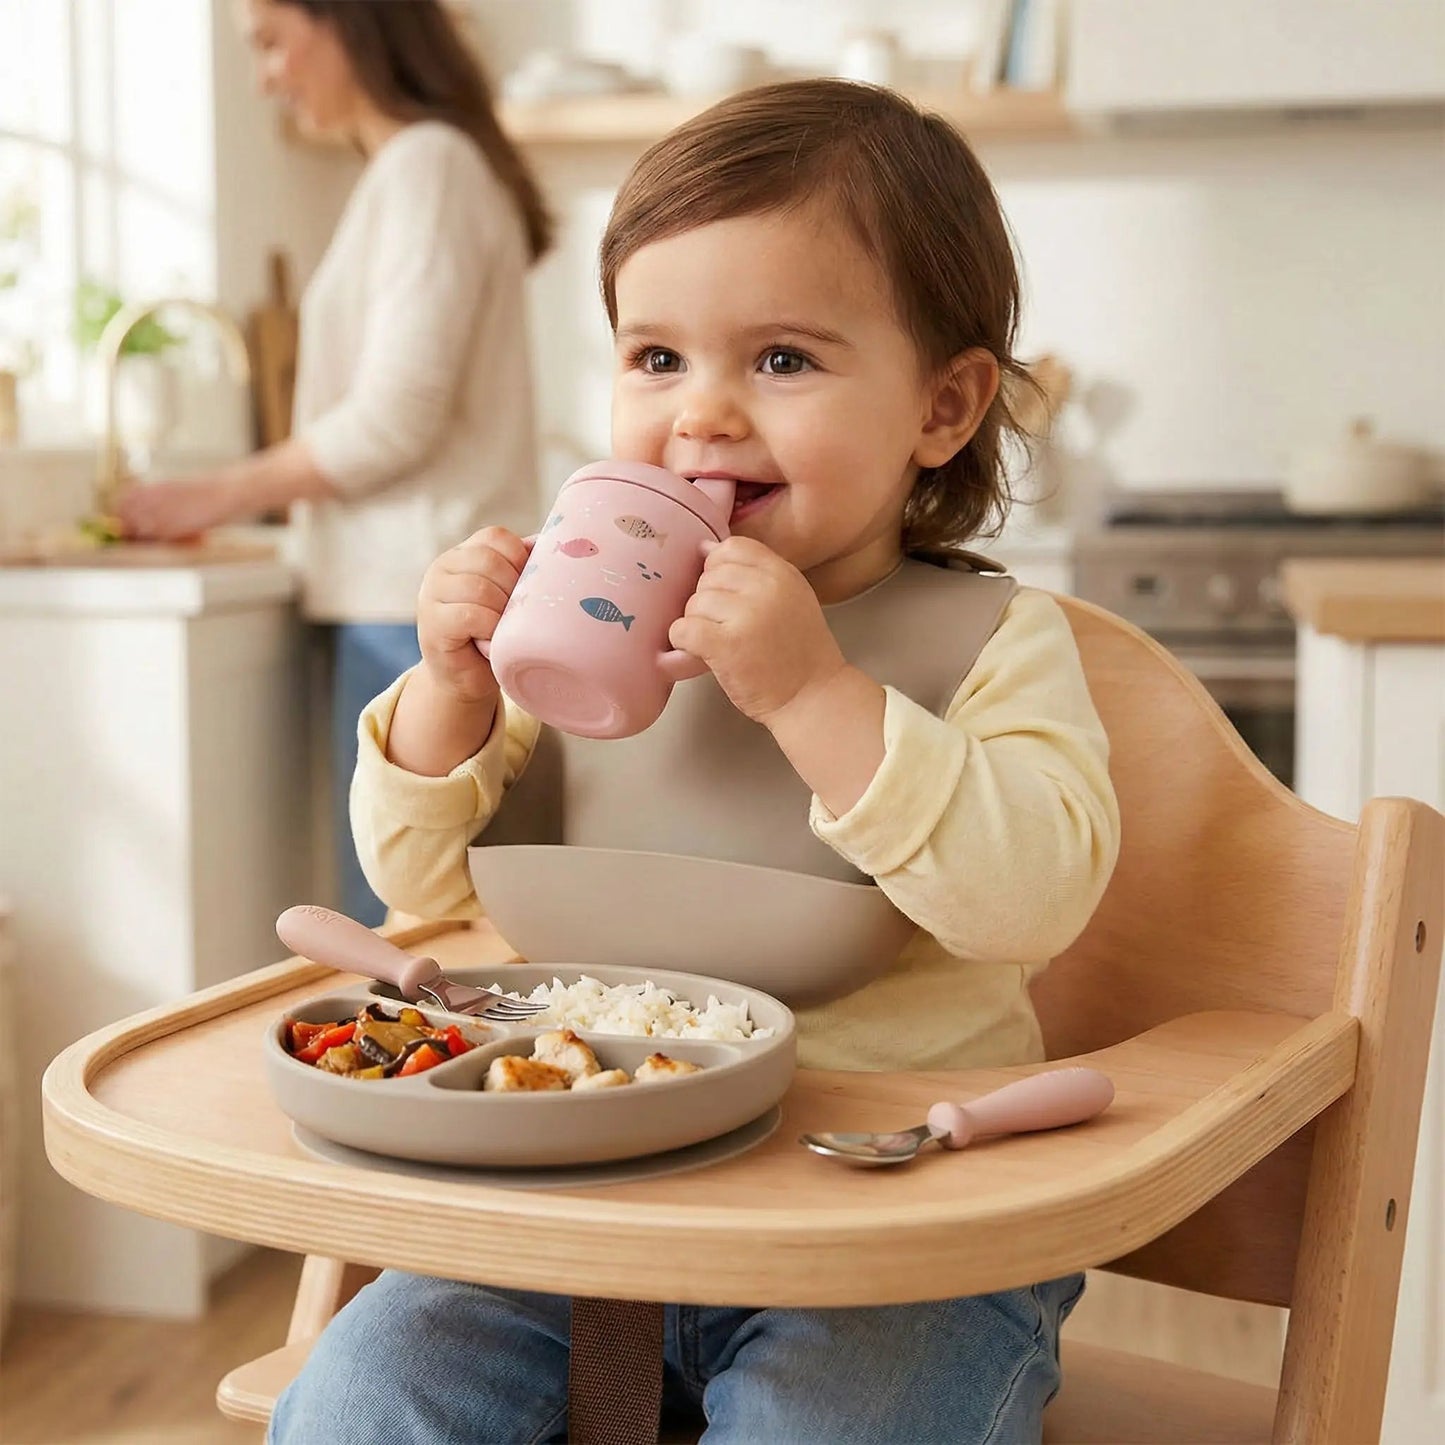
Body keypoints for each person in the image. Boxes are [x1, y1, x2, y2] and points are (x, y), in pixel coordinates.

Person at [271, 79, 1122, 1445]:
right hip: (582, 1190)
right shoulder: (588, 622)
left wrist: (816, 692)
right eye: (656, 358)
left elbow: (1033, 899)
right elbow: (422, 887)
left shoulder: (995, 640)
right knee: (364, 1400)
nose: (704, 415)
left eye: (781, 360)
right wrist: (452, 695)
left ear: (943, 408)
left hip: (887, 1228)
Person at [117, 0, 552, 927]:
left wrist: (218, 490)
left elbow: (396, 417)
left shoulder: (426, 166)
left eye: (273, 41)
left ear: (350, 19)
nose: (267, 76)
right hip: (411, 596)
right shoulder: (428, 167)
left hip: (411, 606)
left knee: (411, 914)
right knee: (433, 912)